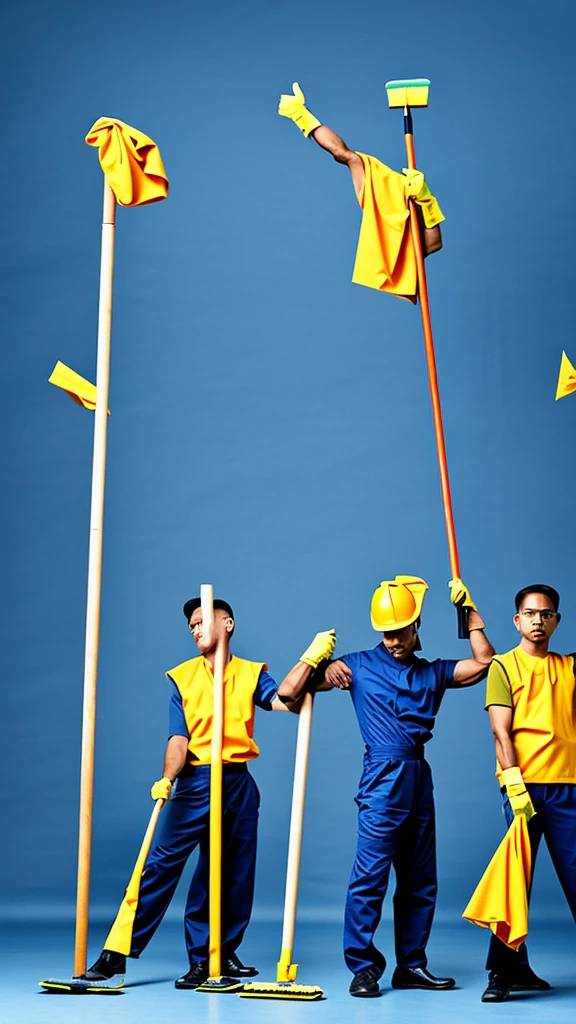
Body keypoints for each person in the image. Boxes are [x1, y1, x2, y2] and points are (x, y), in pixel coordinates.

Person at [80, 597, 336, 989]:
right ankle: (114, 956)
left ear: (227, 623)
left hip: (237, 784)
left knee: (230, 874)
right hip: (196, 782)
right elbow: (178, 740)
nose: (196, 629)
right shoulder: (183, 677)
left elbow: (286, 701)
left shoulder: (251, 674)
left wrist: (312, 663)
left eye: (202, 621)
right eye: (191, 626)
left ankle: (214, 958)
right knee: (158, 867)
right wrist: (168, 778)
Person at [320, 575, 494, 997]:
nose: (394, 639)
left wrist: (470, 616)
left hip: (418, 777)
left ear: (416, 626)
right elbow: (291, 694)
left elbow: (486, 662)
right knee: (370, 877)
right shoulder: (357, 665)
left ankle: (411, 965)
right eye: (387, 633)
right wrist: (321, 665)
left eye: (400, 631)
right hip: (381, 777)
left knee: (420, 880)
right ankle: (362, 968)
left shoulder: (433, 673)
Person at [482, 583, 576, 1003]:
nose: (539, 620)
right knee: (514, 883)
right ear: (518, 620)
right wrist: (514, 782)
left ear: (557, 621)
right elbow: (501, 730)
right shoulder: (504, 667)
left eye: (548, 614)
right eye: (531, 613)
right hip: (523, 788)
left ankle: (517, 971)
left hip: (567, 787)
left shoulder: (569, 667)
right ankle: (503, 974)